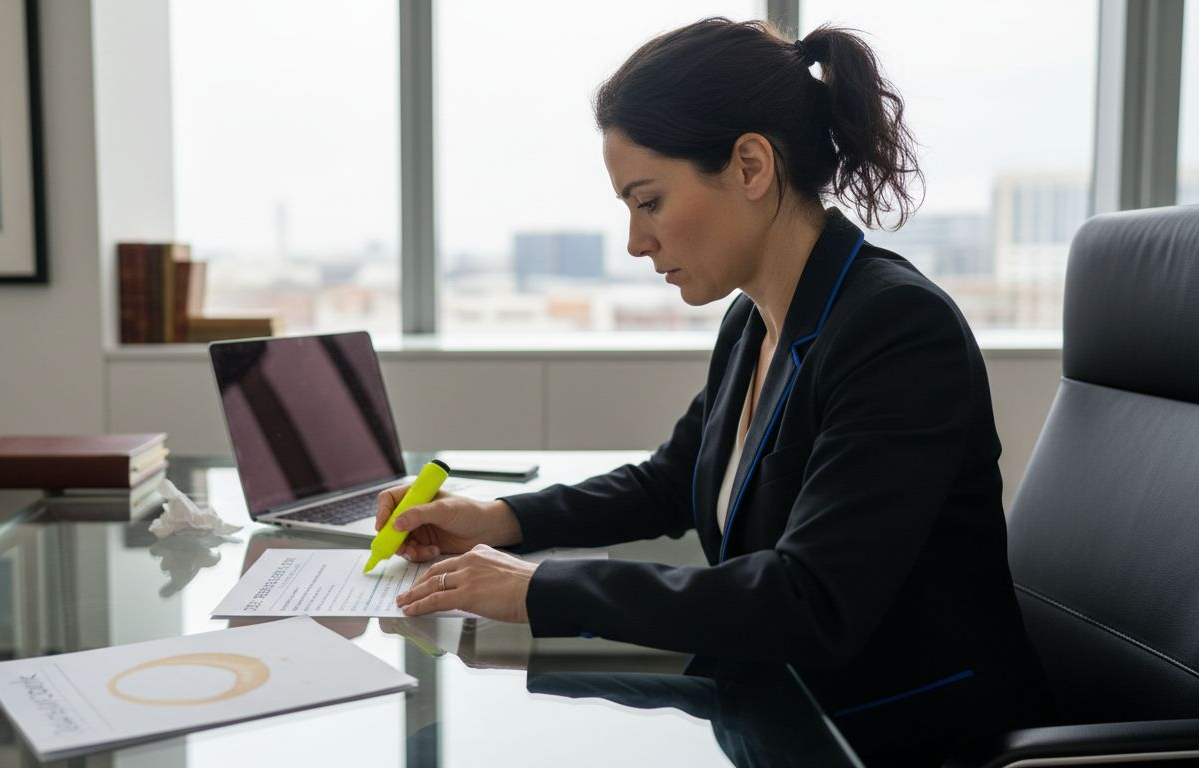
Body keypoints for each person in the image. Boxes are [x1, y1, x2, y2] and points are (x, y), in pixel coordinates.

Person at [377, 17, 1050, 763]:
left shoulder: (895, 329)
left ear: (751, 166)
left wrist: (540, 588)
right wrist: (495, 518)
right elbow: (672, 481)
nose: (636, 240)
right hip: (774, 708)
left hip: (899, 735)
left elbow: (809, 599)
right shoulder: (755, 318)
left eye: (649, 200)